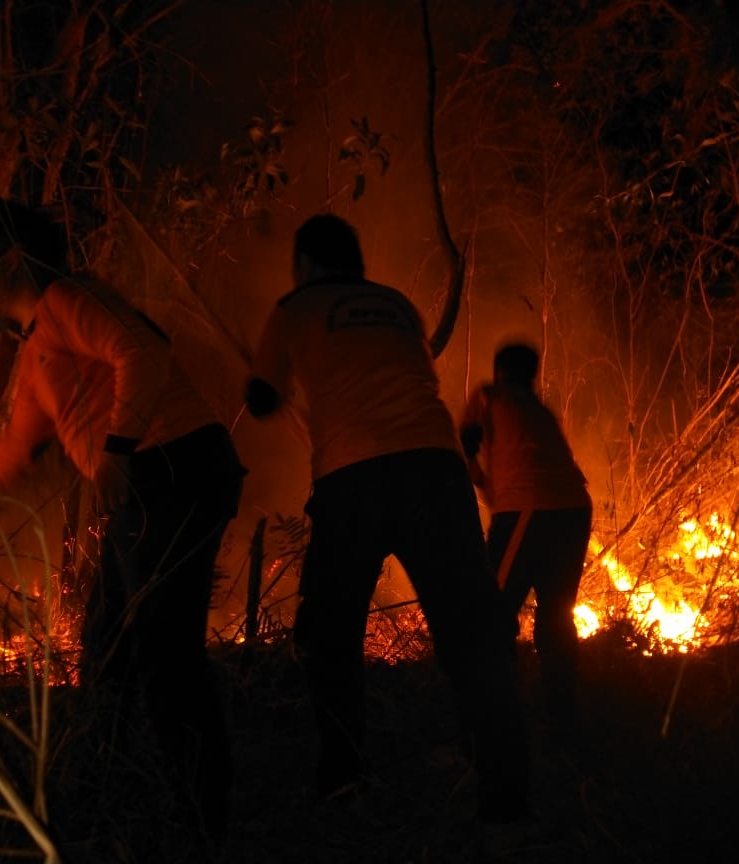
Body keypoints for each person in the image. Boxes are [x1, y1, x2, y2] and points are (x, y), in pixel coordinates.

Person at [0, 201, 246, 842]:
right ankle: (103, 781)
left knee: (163, 649)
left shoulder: (68, 299)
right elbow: (16, 445)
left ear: (11, 260)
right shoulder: (38, 346)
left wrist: (117, 448)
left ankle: (203, 815)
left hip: (172, 469)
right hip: (151, 481)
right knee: (109, 641)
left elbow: (141, 349)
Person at [245, 213, 531, 828]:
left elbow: (262, 399)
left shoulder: (294, 307)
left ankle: (343, 776)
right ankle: (505, 786)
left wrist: (269, 378)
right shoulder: (397, 305)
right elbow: (413, 377)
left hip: (354, 479)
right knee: (468, 629)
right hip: (436, 469)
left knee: (331, 633)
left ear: (305, 264)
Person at [459, 342, 592, 741]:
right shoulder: (540, 413)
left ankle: (494, 717)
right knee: (555, 615)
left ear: (498, 371)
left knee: (493, 614)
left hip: (529, 512)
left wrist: (470, 467)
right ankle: (561, 718)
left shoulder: (488, 395)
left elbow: (468, 438)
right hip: (573, 512)